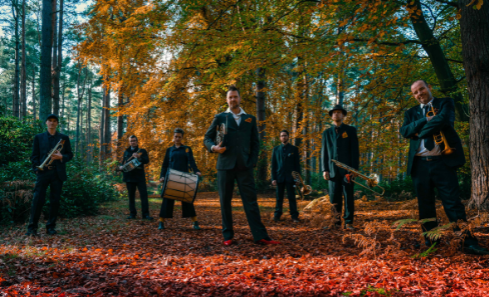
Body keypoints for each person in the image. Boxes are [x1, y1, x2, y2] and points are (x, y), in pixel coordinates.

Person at [400, 79, 489, 255]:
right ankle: (431, 241)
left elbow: (444, 120)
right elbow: (404, 131)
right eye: (415, 92)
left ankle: (467, 242)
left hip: (443, 162)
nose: (419, 94)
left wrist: (419, 133)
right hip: (419, 165)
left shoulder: (445, 102)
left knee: (453, 204)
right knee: (425, 206)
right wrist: (426, 119)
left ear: (429, 87)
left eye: (421, 89)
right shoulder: (410, 112)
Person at [204, 86, 280, 246]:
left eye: (235, 97)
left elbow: (255, 143)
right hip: (224, 166)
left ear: (239, 98)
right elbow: (207, 138)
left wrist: (252, 162)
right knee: (225, 201)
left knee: (251, 202)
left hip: (245, 167)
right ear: (227, 100)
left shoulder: (250, 119)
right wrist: (213, 147)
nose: (233, 100)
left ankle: (260, 236)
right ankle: (227, 236)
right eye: (230, 97)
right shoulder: (220, 117)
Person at [27, 114, 73, 236]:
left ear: (57, 123)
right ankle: (32, 228)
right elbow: (34, 155)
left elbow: (70, 154)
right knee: (37, 200)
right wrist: (36, 169)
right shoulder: (39, 137)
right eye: (50, 121)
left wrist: (61, 156)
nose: (52, 123)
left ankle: (51, 227)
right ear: (46, 123)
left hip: (57, 173)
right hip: (43, 172)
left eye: (54, 121)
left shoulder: (64, 138)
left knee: (55, 201)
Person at [321, 105, 359, 230]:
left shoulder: (351, 130)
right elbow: (324, 152)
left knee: (348, 196)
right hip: (332, 170)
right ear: (332, 116)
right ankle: (335, 223)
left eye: (339, 112)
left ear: (343, 115)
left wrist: (354, 169)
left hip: (347, 170)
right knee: (333, 197)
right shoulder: (326, 133)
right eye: (334, 113)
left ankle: (348, 223)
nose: (336, 114)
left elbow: (355, 151)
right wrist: (324, 169)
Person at [158, 128, 202, 230]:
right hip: (171, 179)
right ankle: (161, 222)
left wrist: (196, 171)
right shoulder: (169, 150)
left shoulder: (187, 149)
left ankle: (195, 222)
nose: (177, 138)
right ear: (173, 137)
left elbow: (191, 162)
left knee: (187, 200)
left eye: (179, 137)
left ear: (182, 138)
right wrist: (162, 176)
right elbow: (164, 165)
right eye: (176, 136)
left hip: (184, 178)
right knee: (167, 200)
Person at [119, 135, 153, 220]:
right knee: (131, 196)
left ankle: (145, 215)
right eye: (131, 141)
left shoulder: (142, 151)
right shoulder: (126, 152)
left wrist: (139, 157)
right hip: (129, 178)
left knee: (144, 196)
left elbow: (146, 161)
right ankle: (132, 214)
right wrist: (120, 167)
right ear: (129, 142)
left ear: (137, 141)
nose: (132, 142)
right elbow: (123, 163)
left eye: (134, 141)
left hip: (140, 177)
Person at [271, 130, 301, 222]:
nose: (283, 137)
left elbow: (297, 165)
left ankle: (294, 216)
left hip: (290, 178)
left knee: (291, 197)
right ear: (280, 138)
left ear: (288, 137)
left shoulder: (294, 149)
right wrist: (273, 178)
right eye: (282, 135)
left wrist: (297, 178)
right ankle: (277, 215)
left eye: (285, 135)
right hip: (279, 177)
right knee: (279, 197)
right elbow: (273, 165)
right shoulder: (275, 149)